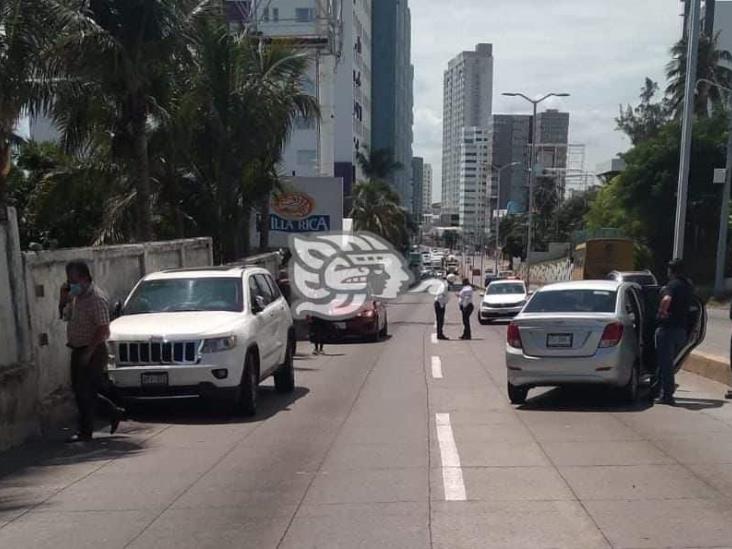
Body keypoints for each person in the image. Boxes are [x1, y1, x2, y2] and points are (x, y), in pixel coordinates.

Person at [59, 260, 125, 442]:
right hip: (77, 348)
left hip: (92, 350)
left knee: (85, 391)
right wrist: (63, 298)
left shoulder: (96, 299)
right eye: (68, 279)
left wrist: (89, 352)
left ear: (85, 278)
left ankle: (85, 431)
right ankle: (113, 412)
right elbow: (64, 317)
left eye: (73, 279)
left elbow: (103, 329)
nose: (70, 283)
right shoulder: (76, 297)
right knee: (82, 391)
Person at [655, 258, 693, 406]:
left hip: (668, 329)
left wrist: (661, 311)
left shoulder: (673, 285)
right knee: (669, 363)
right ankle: (657, 389)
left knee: (665, 365)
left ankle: (667, 396)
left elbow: (666, 299)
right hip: (681, 331)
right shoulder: (688, 285)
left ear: (671, 271)